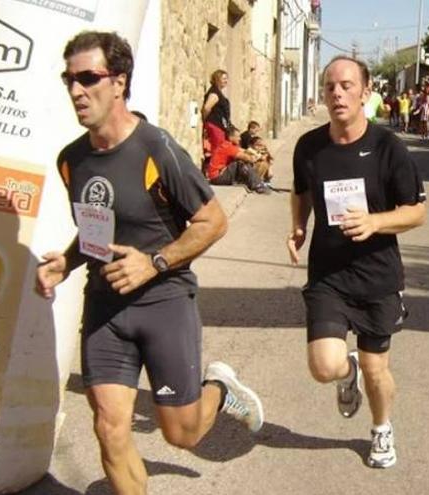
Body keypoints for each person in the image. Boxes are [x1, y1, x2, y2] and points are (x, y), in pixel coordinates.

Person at [38, 31, 263, 494]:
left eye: (88, 78)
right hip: (105, 308)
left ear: (119, 82)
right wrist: (67, 260)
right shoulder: (72, 161)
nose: (76, 90)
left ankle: (219, 389)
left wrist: (154, 262)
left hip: (164, 302)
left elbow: (212, 221)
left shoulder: (156, 148)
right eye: (69, 79)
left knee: (181, 434)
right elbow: (100, 230)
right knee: (109, 429)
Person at [287, 55, 426, 469]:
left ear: (366, 92)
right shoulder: (309, 146)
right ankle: (345, 375)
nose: (337, 94)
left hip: (377, 276)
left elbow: (416, 212)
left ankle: (381, 429)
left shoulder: (388, 148)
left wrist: (375, 222)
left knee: (375, 368)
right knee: (323, 366)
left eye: (347, 86)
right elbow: (301, 191)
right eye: (330, 86)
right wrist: (298, 225)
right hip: (329, 273)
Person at [206, 126, 270, 194]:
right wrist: (257, 157)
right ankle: (257, 185)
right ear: (231, 137)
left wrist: (257, 154)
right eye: (238, 136)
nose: (239, 139)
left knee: (242, 163)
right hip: (217, 177)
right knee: (240, 163)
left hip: (218, 175)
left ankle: (256, 182)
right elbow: (247, 158)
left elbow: (244, 150)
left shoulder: (227, 144)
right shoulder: (228, 147)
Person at [202, 69, 231, 155]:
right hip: (215, 125)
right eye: (224, 78)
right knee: (218, 150)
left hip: (219, 126)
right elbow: (207, 108)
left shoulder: (218, 92)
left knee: (220, 149)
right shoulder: (214, 93)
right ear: (217, 79)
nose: (226, 81)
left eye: (226, 79)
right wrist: (205, 120)